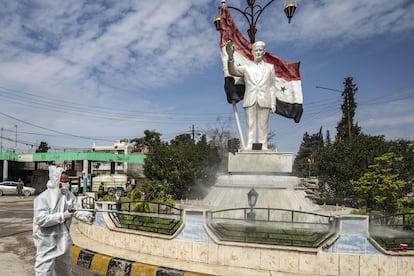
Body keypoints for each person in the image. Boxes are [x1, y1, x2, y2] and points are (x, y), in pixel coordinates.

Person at [32, 165, 94, 276]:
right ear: (56, 180)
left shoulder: (69, 196)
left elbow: (76, 209)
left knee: (64, 268)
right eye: (63, 181)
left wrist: (87, 216)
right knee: (44, 269)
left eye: (67, 181)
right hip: (47, 239)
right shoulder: (43, 198)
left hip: (63, 238)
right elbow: (41, 219)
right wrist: (63, 215)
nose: (66, 184)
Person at [226, 40, 277, 150]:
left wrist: (273, 103)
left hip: (265, 99)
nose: (258, 52)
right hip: (250, 99)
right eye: (256, 50)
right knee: (250, 124)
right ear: (252, 52)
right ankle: (250, 144)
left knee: (263, 125)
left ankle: (263, 145)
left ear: (264, 52)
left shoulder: (270, 68)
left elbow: (272, 86)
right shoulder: (246, 67)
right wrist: (230, 57)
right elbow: (232, 71)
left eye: (260, 50)